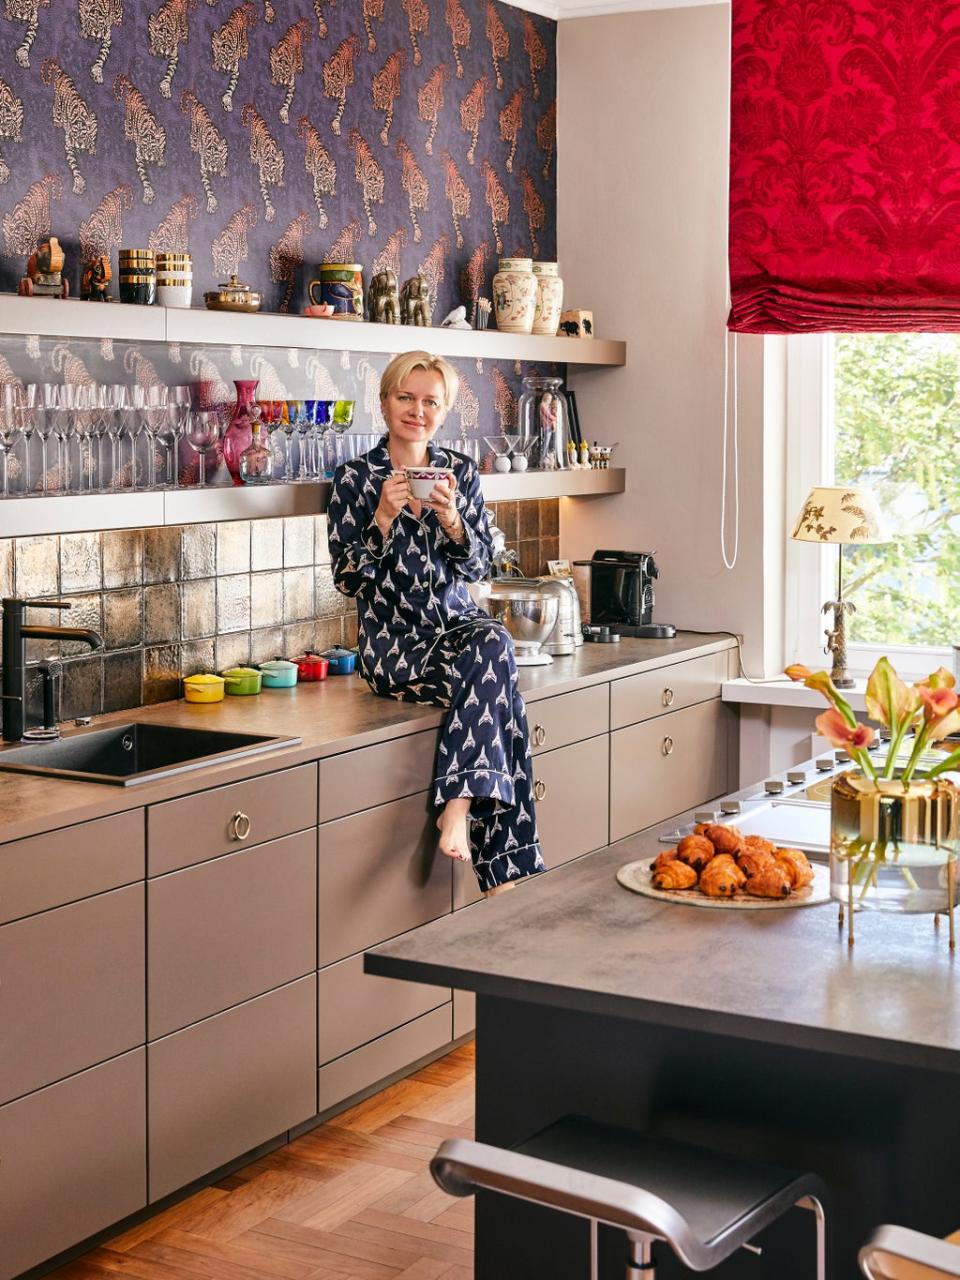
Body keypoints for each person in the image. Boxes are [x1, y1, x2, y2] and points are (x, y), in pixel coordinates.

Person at [327, 350, 545, 895]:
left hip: (459, 632)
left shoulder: (461, 473)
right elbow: (349, 582)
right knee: (502, 694)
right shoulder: (354, 479)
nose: (416, 410)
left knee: (492, 649)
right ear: (384, 402)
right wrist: (380, 518)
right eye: (405, 397)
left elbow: (477, 568)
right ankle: (500, 871)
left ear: (443, 411)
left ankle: (460, 806)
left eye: (430, 401)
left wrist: (452, 519)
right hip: (395, 647)